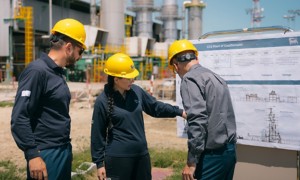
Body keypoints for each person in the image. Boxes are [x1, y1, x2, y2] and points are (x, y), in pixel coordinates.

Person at [11, 18, 86, 180]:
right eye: (81, 51)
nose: (80, 57)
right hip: (45, 153)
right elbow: (20, 117)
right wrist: (32, 155)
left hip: (61, 149)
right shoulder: (37, 71)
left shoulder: (57, 73)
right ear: (68, 47)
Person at [91, 53, 186, 180]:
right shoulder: (102, 101)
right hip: (118, 160)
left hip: (142, 156)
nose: (133, 80)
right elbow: (97, 134)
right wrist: (99, 163)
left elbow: (155, 107)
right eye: (129, 78)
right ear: (116, 79)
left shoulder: (136, 91)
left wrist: (180, 112)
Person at [168, 39, 237, 180]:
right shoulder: (215, 77)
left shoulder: (190, 79)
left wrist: (191, 161)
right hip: (229, 152)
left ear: (175, 66)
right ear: (196, 57)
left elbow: (197, 120)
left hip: (211, 157)